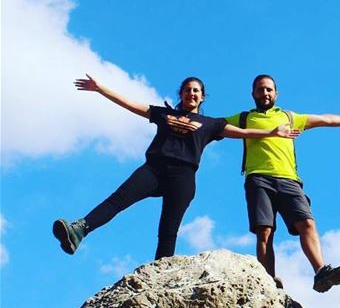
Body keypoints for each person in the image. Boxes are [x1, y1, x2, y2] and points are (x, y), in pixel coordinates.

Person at [52, 74, 300, 260]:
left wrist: (271, 131)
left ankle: (160, 271)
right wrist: (100, 89)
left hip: (183, 176)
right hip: (154, 169)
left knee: (168, 229)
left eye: (196, 91)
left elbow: (242, 132)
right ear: (181, 93)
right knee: (117, 200)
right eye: (187, 90)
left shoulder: (211, 123)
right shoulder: (163, 114)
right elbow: (130, 104)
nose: (192, 94)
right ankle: (79, 230)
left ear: (202, 97)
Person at [226, 74, 340, 293]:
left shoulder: (289, 117)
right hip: (258, 178)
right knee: (264, 231)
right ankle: (268, 281)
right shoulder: (245, 118)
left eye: (268, 89)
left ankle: (321, 272)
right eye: (260, 90)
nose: (264, 93)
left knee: (307, 223)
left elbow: (324, 119)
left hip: (289, 180)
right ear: (253, 94)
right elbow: (214, 126)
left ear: (276, 93)